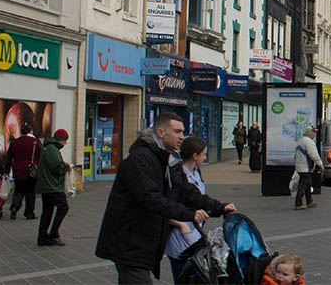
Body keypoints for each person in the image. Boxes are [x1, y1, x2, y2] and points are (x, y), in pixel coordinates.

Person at [95, 112, 236, 284]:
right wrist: (189, 214)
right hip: (129, 241)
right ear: (161, 133)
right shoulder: (140, 158)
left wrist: (218, 207)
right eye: (177, 132)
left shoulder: (168, 159)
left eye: (183, 132)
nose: (181, 137)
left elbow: (187, 191)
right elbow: (150, 198)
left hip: (144, 242)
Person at [165, 136, 212, 283]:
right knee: (183, 276)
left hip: (195, 233)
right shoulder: (176, 176)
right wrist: (181, 224)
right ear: (195, 156)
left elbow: (198, 198)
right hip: (179, 237)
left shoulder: (196, 172)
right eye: (203, 154)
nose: (205, 158)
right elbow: (165, 206)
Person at [35, 129, 72, 246]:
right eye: (65, 141)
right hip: (52, 186)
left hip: (46, 185)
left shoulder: (48, 147)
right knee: (63, 208)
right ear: (61, 140)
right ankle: (53, 234)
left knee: (47, 211)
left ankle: (42, 237)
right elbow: (57, 167)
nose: (65, 144)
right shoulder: (52, 149)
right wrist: (66, 167)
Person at [4, 122, 42, 220]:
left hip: (17, 170)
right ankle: (29, 213)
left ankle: (15, 207)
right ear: (31, 131)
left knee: (19, 190)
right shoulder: (36, 142)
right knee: (30, 192)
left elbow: (8, 158)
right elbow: (42, 155)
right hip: (31, 171)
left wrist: (6, 171)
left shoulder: (14, 143)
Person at [293, 125, 323, 211]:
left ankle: (309, 200)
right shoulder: (309, 142)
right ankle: (298, 204)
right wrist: (320, 164)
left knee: (307, 184)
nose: (315, 134)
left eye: (315, 132)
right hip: (305, 167)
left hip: (300, 166)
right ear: (308, 132)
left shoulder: (301, 140)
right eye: (313, 132)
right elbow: (314, 155)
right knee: (303, 185)